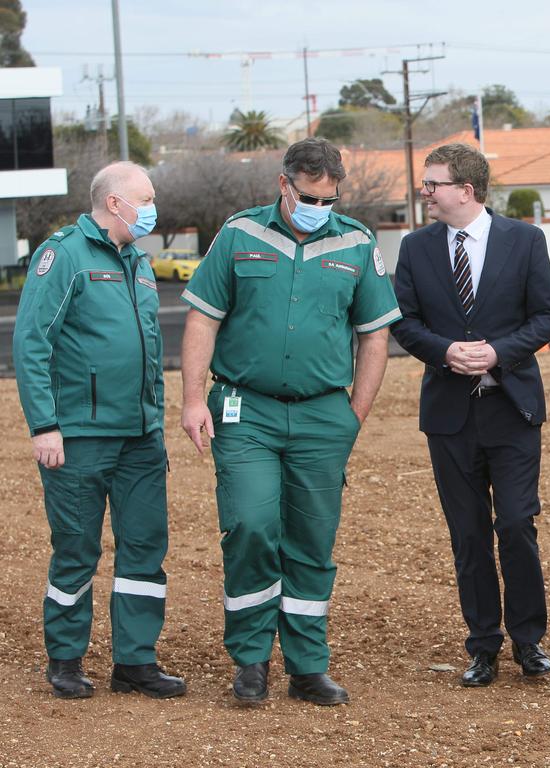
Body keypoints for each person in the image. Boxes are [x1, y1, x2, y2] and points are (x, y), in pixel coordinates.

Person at [179, 137, 400, 706]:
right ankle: (251, 661)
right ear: (284, 184)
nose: (318, 209)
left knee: (311, 538)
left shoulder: (356, 242)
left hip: (323, 415)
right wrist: (192, 399)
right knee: (251, 526)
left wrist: (355, 415)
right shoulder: (239, 235)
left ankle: (307, 665)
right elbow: (202, 320)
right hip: (244, 409)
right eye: (308, 197)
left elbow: (374, 334)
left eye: (329, 199)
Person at [392, 143, 550, 688]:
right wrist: (443, 350)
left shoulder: (525, 240)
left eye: (432, 184)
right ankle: (483, 645)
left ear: (466, 190)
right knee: (467, 535)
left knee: (516, 524)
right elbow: (403, 320)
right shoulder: (415, 248)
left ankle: (528, 640)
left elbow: (548, 315)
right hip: (449, 415)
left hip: (511, 409)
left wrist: (500, 351)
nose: (425, 193)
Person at [13, 161, 186, 700]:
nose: (153, 207)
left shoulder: (136, 260)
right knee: (76, 547)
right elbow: (31, 343)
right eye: (146, 198)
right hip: (78, 437)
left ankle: (135, 661)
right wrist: (45, 426)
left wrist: (154, 419)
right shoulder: (62, 255)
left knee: (144, 547)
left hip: (139, 437)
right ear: (115, 203)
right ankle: (65, 659)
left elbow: (149, 347)